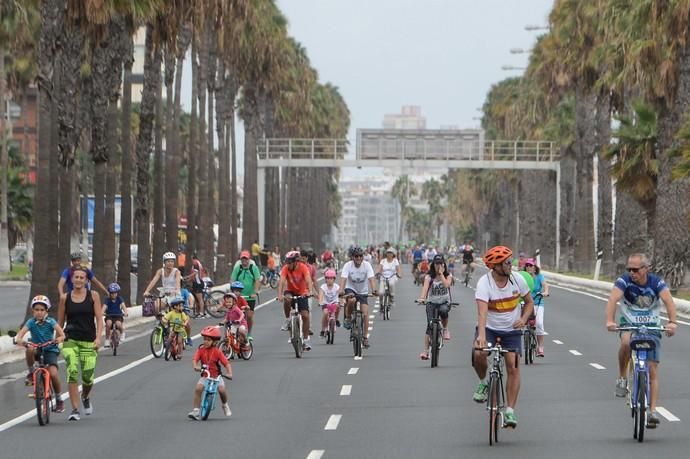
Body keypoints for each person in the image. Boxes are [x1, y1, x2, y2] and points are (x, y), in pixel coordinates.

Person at [605, 253, 678, 428]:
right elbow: (613, 299)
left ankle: (652, 411)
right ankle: (622, 377)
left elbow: (669, 301)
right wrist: (610, 320)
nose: (632, 272)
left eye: (636, 269)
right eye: (629, 269)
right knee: (625, 343)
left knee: (652, 368)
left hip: (651, 326)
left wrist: (673, 322)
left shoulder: (656, 283)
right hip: (629, 324)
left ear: (646, 269)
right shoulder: (624, 281)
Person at [472, 245, 533, 429]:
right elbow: (482, 313)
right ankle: (483, 383)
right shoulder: (484, 283)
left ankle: (509, 411)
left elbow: (529, 303)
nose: (510, 265)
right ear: (496, 266)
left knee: (513, 367)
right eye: (507, 262)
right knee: (479, 353)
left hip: (512, 330)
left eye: (510, 261)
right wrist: (481, 337)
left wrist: (523, 318)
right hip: (490, 328)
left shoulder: (518, 279)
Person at [58, 265, 104, 421]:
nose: (78, 280)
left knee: (88, 377)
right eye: (76, 277)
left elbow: (99, 318)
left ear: (86, 280)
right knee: (72, 370)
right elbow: (60, 322)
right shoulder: (65, 298)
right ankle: (75, 409)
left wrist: (98, 338)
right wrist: (58, 337)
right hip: (70, 339)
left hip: (88, 341)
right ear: (72, 279)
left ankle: (85, 396)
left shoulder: (94, 296)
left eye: (81, 278)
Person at [16, 295, 66, 413]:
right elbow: (20, 335)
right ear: (33, 311)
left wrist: (59, 339)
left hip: (50, 350)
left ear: (46, 311)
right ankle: (31, 372)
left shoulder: (51, 321)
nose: (39, 312)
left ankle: (59, 399)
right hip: (36, 349)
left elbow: (62, 334)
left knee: (53, 374)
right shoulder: (31, 322)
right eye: (36, 310)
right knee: (29, 349)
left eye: (42, 310)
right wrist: (20, 341)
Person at [188, 326, 233, 420]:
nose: (205, 342)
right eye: (204, 339)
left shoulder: (217, 352)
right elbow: (195, 359)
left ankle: (225, 405)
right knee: (198, 389)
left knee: (222, 390)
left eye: (208, 340)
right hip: (206, 375)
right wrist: (195, 366)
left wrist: (229, 373)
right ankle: (196, 411)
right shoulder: (201, 350)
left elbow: (226, 363)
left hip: (216, 376)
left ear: (214, 342)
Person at [277, 250, 316, 350]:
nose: (288, 264)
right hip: (290, 291)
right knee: (287, 300)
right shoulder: (286, 268)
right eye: (287, 262)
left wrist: (310, 291)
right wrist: (280, 295)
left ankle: (306, 340)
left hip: (302, 292)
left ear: (295, 262)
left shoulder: (303, 267)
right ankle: (287, 320)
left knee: (305, 316)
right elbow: (281, 282)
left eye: (290, 262)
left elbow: (308, 280)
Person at [339, 246, 377, 349]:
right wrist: (341, 290)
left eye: (361, 256)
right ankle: (347, 318)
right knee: (351, 300)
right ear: (352, 257)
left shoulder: (367, 265)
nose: (359, 258)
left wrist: (374, 290)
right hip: (350, 289)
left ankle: (365, 337)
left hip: (363, 291)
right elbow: (343, 279)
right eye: (356, 256)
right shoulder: (348, 265)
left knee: (365, 314)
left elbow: (372, 279)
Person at [417, 254, 453, 360]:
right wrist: (422, 298)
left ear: (444, 264)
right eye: (437, 264)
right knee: (429, 325)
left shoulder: (448, 275)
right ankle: (426, 351)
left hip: (444, 302)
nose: (438, 266)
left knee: (444, 310)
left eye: (440, 263)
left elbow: (447, 285)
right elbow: (425, 288)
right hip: (431, 302)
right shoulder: (429, 277)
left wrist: (441, 274)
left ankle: (445, 329)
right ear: (433, 265)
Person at [231, 250, 261, 339]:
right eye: (242, 259)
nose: (244, 260)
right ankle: (234, 333)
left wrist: (255, 291)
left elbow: (257, 280)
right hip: (239, 297)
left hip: (250, 297)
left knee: (249, 316)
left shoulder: (253, 268)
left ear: (249, 259)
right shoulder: (238, 268)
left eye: (246, 259)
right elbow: (232, 279)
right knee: (235, 315)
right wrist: (233, 291)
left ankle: (249, 333)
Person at [524, 258, 549, 357]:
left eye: (531, 266)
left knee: (539, 323)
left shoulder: (539, 277)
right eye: (527, 266)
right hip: (525, 303)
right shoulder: (523, 277)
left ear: (535, 268)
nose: (529, 267)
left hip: (538, 302)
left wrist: (545, 292)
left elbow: (545, 285)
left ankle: (540, 347)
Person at [103, 283, 128, 348]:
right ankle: (107, 339)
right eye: (112, 293)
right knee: (108, 324)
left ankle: (122, 333)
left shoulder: (120, 299)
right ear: (109, 293)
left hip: (118, 315)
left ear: (117, 293)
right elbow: (104, 307)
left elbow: (123, 306)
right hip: (109, 315)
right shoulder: (107, 300)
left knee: (118, 324)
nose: (113, 294)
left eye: (115, 293)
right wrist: (102, 312)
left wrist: (125, 312)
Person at [319, 269, 340, 337]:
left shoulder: (337, 287)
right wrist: (320, 302)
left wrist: (343, 301)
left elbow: (341, 296)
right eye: (327, 278)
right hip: (325, 304)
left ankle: (336, 320)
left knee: (338, 307)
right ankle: (322, 330)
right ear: (325, 279)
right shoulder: (323, 287)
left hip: (334, 303)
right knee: (325, 313)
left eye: (331, 278)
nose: (329, 280)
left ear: (334, 279)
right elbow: (321, 295)